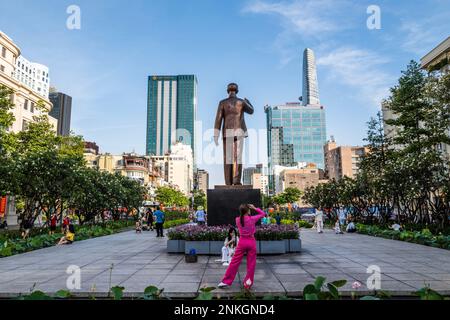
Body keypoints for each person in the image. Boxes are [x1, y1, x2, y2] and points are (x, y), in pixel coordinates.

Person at [218, 204, 267, 290]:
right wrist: (254, 208)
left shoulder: (237, 220)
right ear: (248, 211)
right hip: (251, 242)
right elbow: (263, 214)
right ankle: (247, 283)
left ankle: (225, 281)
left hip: (242, 242)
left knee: (234, 262)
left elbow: (243, 218)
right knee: (251, 264)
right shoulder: (252, 219)